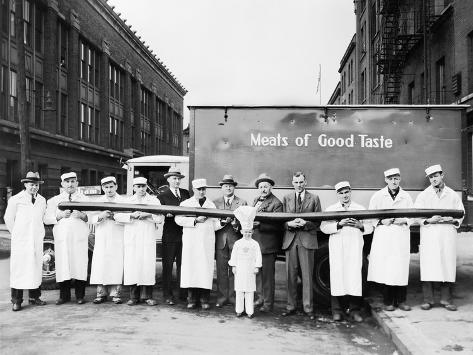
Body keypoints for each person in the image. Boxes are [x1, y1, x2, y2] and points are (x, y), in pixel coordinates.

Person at [320, 181, 373, 322]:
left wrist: (360, 225)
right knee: (337, 277)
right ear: (337, 194)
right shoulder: (331, 209)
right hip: (338, 247)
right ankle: (336, 310)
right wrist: (338, 224)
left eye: (346, 192)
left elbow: (370, 227)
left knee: (354, 277)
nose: (344, 195)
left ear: (350, 192)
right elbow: (323, 228)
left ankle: (355, 310)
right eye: (341, 193)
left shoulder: (360, 208)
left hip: (354, 247)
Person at [414, 164, 464, 311]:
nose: (434, 179)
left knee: (447, 266)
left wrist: (453, 220)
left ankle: (446, 300)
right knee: (429, 266)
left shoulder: (452, 194)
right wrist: (429, 220)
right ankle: (428, 300)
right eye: (431, 177)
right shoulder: (423, 195)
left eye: (436, 176)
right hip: (430, 234)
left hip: (447, 234)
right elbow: (416, 215)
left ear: (442, 175)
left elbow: (461, 213)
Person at [367, 168, 414, 311]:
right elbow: (370, 217)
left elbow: (413, 216)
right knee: (387, 268)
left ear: (399, 179)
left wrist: (404, 220)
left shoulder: (406, 197)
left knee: (400, 267)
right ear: (386, 180)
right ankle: (388, 301)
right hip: (385, 236)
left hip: (400, 236)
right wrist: (382, 222)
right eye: (391, 178)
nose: (394, 181)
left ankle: (401, 301)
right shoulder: (378, 196)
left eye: (396, 178)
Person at [114, 177, 164, 306]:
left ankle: (148, 296)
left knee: (147, 266)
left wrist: (148, 215)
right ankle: (133, 297)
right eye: (138, 186)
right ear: (134, 188)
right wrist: (131, 215)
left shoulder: (153, 200)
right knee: (133, 266)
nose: (141, 189)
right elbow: (117, 216)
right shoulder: (128, 201)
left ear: (146, 186)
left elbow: (160, 218)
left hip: (147, 236)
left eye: (143, 186)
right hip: (132, 237)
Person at [175, 178, 222, 310]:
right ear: (193, 190)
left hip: (206, 242)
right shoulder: (186, 204)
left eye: (203, 189)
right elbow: (178, 220)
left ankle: (204, 299)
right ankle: (192, 299)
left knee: (204, 270)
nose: (202, 192)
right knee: (192, 269)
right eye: (199, 189)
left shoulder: (211, 205)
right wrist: (195, 220)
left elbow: (214, 225)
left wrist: (223, 223)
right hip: (192, 242)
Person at [44, 172, 89, 305]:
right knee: (63, 265)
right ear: (62, 184)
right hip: (62, 239)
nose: (70, 184)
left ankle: (80, 296)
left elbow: (93, 218)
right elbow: (46, 219)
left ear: (77, 183)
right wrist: (60, 215)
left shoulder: (85, 199)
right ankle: (64, 296)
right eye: (67, 182)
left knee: (80, 265)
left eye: (73, 181)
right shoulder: (54, 201)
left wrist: (82, 215)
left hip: (79, 238)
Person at [281, 171, 321, 320]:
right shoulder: (286, 198)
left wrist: (306, 223)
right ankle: (290, 306)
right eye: (296, 182)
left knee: (307, 276)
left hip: (307, 239)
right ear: (292, 183)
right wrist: (288, 224)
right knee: (290, 276)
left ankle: (308, 308)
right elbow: (281, 220)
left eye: (301, 182)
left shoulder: (315, 198)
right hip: (291, 240)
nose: (298, 185)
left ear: (306, 182)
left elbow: (318, 221)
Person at [4, 172, 47, 311]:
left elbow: (41, 218)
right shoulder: (16, 199)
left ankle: (35, 297)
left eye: (36, 185)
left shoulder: (42, 200)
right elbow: (8, 219)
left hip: (36, 239)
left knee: (35, 267)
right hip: (21, 240)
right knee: (19, 270)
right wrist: (17, 233)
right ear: (25, 185)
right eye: (31, 184)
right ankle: (16, 300)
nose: (34, 187)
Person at [89, 176, 125, 304]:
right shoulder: (98, 201)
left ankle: (116, 293)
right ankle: (101, 293)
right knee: (101, 263)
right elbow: (91, 218)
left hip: (117, 234)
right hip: (102, 235)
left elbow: (128, 216)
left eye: (111, 187)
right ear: (102, 188)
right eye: (106, 187)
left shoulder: (123, 201)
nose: (109, 190)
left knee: (116, 262)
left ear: (116, 186)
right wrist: (100, 216)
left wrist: (116, 217)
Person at [213, 174, 247, 308]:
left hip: (236, 241)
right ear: (221, 188)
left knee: (235, 270)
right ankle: (221, 298)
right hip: (221, 241)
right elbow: (212, 223)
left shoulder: (242, 202)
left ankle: (233, 297)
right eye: (225, 186)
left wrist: (235, 224)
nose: (228, 188)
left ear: (234, 187)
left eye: (230, 186)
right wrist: (222, 222)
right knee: (221, 271)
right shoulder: (215, 203)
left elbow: (246, 224)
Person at [157, 167, 190, 305]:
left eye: (178, 179)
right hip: (170, 235)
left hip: (185, 234)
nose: (177, 181)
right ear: (168, 180)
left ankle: (183, 294)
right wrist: (167, 213)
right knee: (168, 266)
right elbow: (161, 213)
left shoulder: (186, 193)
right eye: (174, 179)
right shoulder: (162, 196)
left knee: (184, 265)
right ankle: (168, 295)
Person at [251, 173, 283, 313]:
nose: (263, 189)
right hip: (256, 244)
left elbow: (278, 226)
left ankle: (268, 303)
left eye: (266, 186)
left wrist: (259, 225)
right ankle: (260, 298)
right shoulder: (256, 200)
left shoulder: (276, 203)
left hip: (268, 246)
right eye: (261, 186)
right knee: (257, 274)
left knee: (268, 277)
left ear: (271, 187)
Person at [229, 206, 262, 318]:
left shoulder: (255, 244)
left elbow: (258, 255)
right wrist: (233, 265)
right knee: (239, 291)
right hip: (240, 269)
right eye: (245, 232)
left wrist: (257, 266)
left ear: (252, 231)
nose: (247, 234)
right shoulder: (238, 243)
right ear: (242, 231)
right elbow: (233, 255)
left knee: (249, 291)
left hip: (250, 270)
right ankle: (239, 310)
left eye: (249, 232)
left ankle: (249, 311)